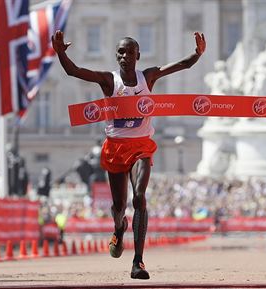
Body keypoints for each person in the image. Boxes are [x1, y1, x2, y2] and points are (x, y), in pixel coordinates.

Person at [52, 29, 205, 279]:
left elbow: (181, 65)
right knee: (119, 206)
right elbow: (74, 71)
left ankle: (138, 261)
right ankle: (119, 227)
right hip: (116, 147)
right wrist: (60, 53)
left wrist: (197, 53)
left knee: (140, 197)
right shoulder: (109, 81)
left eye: (129, 52)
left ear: (138, 55)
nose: (124, 56)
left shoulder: (148, 78)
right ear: (116, 56)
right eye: (121, 52)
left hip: (142, 146)